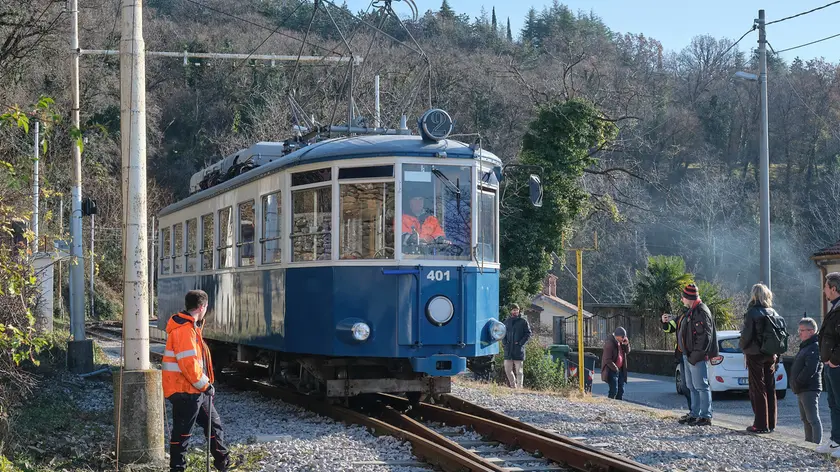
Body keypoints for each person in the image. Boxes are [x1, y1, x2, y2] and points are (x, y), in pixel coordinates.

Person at [163, 290, 235, 472]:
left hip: (195, 390)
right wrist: (205, 385)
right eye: (206, 308)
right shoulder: (185, 331)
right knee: (183, 434)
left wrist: (204, 386)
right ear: (202, 307)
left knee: (214, 425)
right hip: (185, 391)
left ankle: (223, 463)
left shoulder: (192, 327)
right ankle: (177, 469)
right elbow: (189, 365)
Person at [739, 283, 779, 434]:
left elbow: (747, 335)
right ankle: (771, 423)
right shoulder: (773, 312)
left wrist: (742, 347)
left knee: (758, 388)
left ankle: (760, 424)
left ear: (754, 295)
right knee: (770, 387)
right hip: (770, 354)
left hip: (755, 354)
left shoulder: (752, 312)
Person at [678, 283, 718, 426]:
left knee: (701, 386)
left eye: (683, 297)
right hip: (689, 355)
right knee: (692, 386)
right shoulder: (692, 311)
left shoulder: (701, 311)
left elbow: (704, 338)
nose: (682, 299)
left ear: (689, 297)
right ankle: (695, 413)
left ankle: (705, 416)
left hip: (696, 357)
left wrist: (695, 356)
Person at [817, 272, 840, 456]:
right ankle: (835, 441)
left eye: (825, 287)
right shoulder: (834, 308)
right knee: (833, 403)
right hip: (830, 366)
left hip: (837, 366)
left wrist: (834, 360)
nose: (824, 290)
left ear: (833, 288)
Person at [791, 317, 822, 444]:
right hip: (801, 388)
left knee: (812, 419)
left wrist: (798, 382)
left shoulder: (814, 347)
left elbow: (810, 369)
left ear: (811, 331)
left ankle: (816, 445)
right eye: (799, 330)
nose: (800, 333)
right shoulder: (806, 346)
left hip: (809, 388)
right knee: (805, 419)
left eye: (802, 330)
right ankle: (808, 443)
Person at [662, 305, 692, 421]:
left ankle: (699, 413)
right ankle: (693, 411)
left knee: (694, 386)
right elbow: (669, 329)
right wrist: (664, 322)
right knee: (685, 386)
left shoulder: (697, 314)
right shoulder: (680, 318)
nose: (681, 301)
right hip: (682, 355)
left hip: (691, 355)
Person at [502, 303, 532, 389]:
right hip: (508, 350)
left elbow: (528, 333)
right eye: (514, 310)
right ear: (511, 311)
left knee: (519, 371)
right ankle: (513, 385)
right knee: (507, 369)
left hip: (518, 350)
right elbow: (502, 333)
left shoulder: (523, 321)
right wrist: (504, 343)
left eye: (516, 310)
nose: (515, 311)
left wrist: (520, 343)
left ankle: (519, 387)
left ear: (519, 310)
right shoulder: (506, 321)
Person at [601, 327, 631, 400]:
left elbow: (627, 351)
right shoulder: (610, 343)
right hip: (612, 369)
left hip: (620, 369)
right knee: (614, 390)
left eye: (625, 336)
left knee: (621, 390)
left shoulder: (621, 342)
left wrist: (626, 344)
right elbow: (607, 359)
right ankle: (610, 404)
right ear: (617, 336)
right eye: (622, 336)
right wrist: (615, 368)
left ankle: (618, 404)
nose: (624, 338)